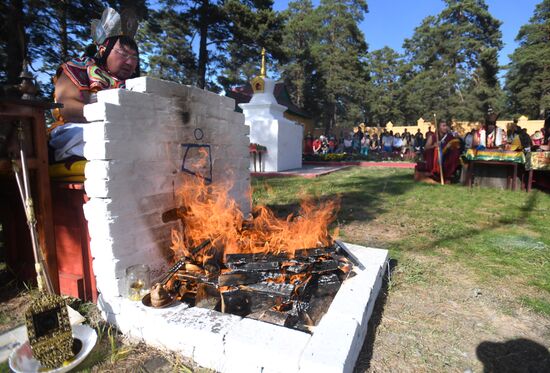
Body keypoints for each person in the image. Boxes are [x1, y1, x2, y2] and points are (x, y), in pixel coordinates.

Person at [49, 8, 139, 161]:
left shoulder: (133, 84)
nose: (130, 62)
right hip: (76, 130)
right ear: (103, 50)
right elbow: (66, 107)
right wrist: (112, 116)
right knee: (115, 138)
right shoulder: (79, 67)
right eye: (123, 54)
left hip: (122, 131)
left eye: (134, 57)